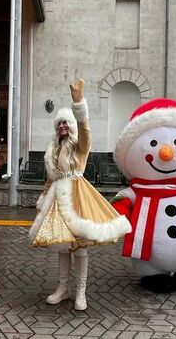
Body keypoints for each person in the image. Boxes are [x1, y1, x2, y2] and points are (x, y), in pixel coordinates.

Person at [28, 79, 131, 311]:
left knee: (81, 246)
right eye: (59, 123)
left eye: (66, 122)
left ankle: (80, 293)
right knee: (62, 244)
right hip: (56, 197)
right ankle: (63, 289)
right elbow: (51, 176)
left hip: (77, 195)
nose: (62, 125)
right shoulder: (53, 147)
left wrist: (78, 104)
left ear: (71, 125)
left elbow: (85, 129)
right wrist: (43, 197)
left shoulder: (80, 146)